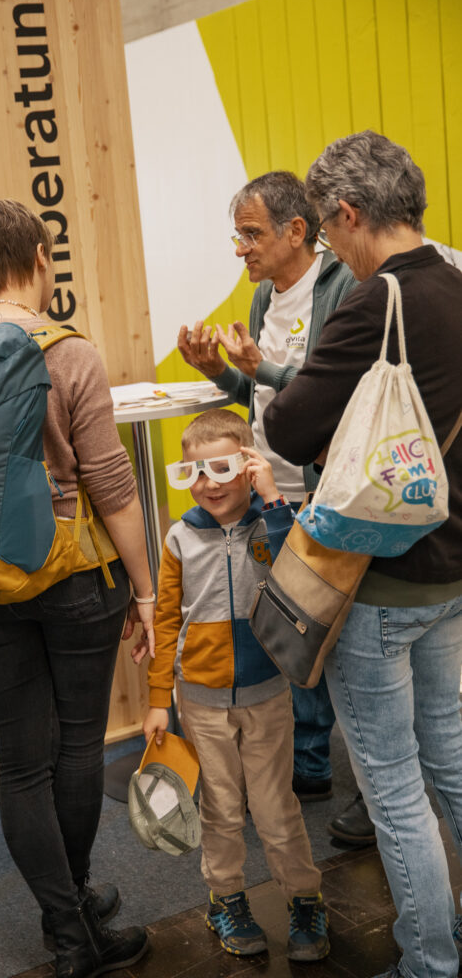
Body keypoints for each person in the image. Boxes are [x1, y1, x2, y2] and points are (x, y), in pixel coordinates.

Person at [0, 199, 154, 978]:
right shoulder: (69, 353)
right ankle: (78, 908)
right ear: (36, 256)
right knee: (77, 747)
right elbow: (112, 484)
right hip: (72, 575)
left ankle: (67, 930)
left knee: (23, 761)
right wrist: (148, 590)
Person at [263, 130, 462, 978]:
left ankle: (427, 960)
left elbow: (288, 426)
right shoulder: (458, 282)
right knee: (452, 756)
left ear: (347, 214)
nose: (333, 248)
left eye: (330, 229)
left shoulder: (377, 303)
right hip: (452, 564)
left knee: (391, 786)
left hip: (376, 579)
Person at [177, 171, 361, 812]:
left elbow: (338, 396)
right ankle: (310, 763)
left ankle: (369, 791)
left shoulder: (342, 290)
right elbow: (263, 399)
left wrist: (267, 369)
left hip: (326, 496)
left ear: (297, 231)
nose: (240, 249)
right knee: (291, 633)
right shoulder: (264, 299)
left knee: (346, 652)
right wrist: (222, 372)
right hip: (271, 496)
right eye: (238, 235)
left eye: (251, 235)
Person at [141, 408, 329, 963]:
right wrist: (157, 700)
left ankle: (303, 897)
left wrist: (272, 499)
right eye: (195, 473)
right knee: (221, 808)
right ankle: (226, 898)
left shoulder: (272, 524)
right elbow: (166, 621)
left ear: (249, 467)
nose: (208, 484)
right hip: (199, 700)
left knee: (275, 806)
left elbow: (298, 565)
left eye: (223, 470)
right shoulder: (179, 537)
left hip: (268, 692)